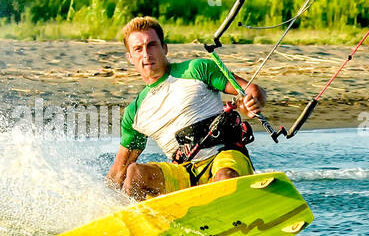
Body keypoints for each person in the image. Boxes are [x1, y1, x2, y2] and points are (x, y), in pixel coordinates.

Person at [106, 16, 266, 201]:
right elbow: (120, 170)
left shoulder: (196, 69)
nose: (146, 54)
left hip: (224, 156)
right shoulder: (134, 113)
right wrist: (101, 205)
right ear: (130, 57)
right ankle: (150, 224)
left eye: (152, 45)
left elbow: (252, 90)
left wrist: (252, 103)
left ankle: (228, 206)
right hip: (184, 173)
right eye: (138, 49)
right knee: (134, 174)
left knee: (223, 177)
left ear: (164, 48)